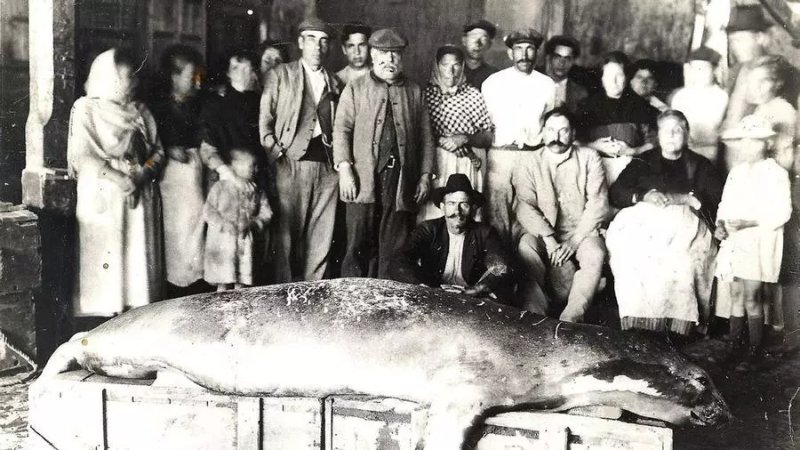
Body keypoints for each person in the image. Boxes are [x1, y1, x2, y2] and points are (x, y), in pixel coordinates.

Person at [607, 110, 724, 336]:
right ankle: (641, 323)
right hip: (645, 225)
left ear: (687, 134)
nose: (671, 135)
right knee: (634, 256)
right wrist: (642, 196)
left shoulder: (700, 165)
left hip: (686, 227)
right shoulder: (644, 160)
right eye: (665, 130)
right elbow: (617, 191)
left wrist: (684, 198)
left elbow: (715, 200)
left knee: (679, 260)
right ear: (657, 135)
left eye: (677, 130)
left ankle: (678, 326)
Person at [67, 48, 164, 320]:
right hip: (104, 193)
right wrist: (119, 178)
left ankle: (136, 319)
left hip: (138, 192)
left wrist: (142, 174)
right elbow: (82, 155)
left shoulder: (141, 111)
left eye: (132, 77)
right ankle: (102, 321)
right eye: (123, 78)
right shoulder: (86, 108)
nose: (131, 83)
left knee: (137, 270)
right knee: (106, 265)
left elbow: (157, 151)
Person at [333, 28, 435, 279]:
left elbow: (426, 136)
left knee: (395, 246)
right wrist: (345, 169)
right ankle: (353, 300)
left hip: (400, 180)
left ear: (402, 58)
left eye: (395, 55)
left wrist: (424, 176)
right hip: (362, 179)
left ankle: (387, 305)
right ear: (373, 55)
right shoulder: (356, 88)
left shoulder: (414, 90)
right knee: (358, 243)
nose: (389, 61)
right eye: (383, 54)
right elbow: (341, 129)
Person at [259, 17, 341, 283]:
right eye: (312, 39)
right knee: (286, 238)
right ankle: (284, 295)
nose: (318, 46)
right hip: (290, 163)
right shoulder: (280, 75)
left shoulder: (335, 82)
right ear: (300, 43)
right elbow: (265, 120)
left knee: (321, 236)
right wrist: (276, 154)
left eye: (323, 41)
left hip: (327, 168)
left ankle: (312, 293)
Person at [513, 108, 610, 322]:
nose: (556, 137)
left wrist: (575, 241)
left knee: (595, 253)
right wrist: (549, 240)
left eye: (563, 131)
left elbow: (598, 203)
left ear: (573, 134)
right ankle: (534, 317)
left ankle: (572, 319)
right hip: (542, 233)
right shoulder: (529, 161)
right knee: (526, 247)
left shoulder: (589, 157)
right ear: (543, 133)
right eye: (551, 130)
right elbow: (524, 205)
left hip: (580, 232)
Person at [714, 115, 791, 371]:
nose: (748, 147)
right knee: (735, 293)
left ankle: (755, 350)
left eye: (754, 142)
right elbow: (725, 204)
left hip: (759, 240)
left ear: (766, 143)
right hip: (736, 240)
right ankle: (735, 344)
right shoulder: (737, 172)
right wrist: (721, 225)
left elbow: (783, 211)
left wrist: (749, 222)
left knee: (752, 296)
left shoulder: (776, 173)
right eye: (744, 142)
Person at [481, 28, 556, 245]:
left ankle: (528, 267)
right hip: (500, 157)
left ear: (537, 53)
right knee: (497, 215)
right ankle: (500, 271)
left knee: (530, 212)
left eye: (530, 48)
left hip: (532, 155)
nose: (524, 54)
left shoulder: (546, 84)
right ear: (510, 53)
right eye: (519, 49)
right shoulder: (493, 83)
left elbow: (548, 120)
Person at [149, 44, 208, 297]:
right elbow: (150, 144)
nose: (197, 83)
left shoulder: (200, 106)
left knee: (197, 227)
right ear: (174, 76)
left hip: (195, 175)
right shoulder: (157, 108)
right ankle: (175, 285)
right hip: (171, 179)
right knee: (175, 232)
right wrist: (169, 149)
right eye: (191, 76)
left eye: (199, 77)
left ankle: (196, 280)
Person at [393, 174, 511, 297]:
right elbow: (399, 261)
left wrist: (474, 291)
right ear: (443, 207)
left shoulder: (485, 233)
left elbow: (500, 267)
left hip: (470, 297)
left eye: (464, 204)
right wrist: (424, 286)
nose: (457, 211)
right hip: (434, 295)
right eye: (451, 203)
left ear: (472, 208)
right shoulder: (429, 229)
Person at [419, 44, 494, 222]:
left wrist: (465, 138)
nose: (451, 71)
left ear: (462, 66)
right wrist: (443, 140)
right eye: (445, 65)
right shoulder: (426, 95)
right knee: (436, 211)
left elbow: (488, 136)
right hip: (439, 163)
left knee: (466, 212)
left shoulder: (473, 95)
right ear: (437, 67)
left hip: (467, 163)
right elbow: (419, 134)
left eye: (456, 65)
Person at [576, 52, 659, 185]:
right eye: (608, 75)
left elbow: (655, 143)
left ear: (626, 78)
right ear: (602, 78)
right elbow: (574, 141)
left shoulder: (641, 106)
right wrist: (594, 146)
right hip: (592, 170)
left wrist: (633, 151)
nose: (614, 81)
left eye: (619, 75)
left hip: (631, 172)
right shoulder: (586, 106)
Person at [203, 149, 274, 291]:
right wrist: (223, 224)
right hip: (222, 242)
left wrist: (254, 223)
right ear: (235, 166)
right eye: (251, 166)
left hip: (244, 242)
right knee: (223, 280)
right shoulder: (220, 187)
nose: (256, 169)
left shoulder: (256, 190)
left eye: (256, 166)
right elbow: (208, 211)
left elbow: (267, 212)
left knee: (242, 281)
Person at [670, 47, 729, 164]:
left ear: (714, 70)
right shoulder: (681, 96)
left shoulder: (722, 97)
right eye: (695, 68)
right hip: (684, 151)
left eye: (703, 68)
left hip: (712, 151)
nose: (699, 73)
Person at [543, 35, 588, 115]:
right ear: (550, 58)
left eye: (567, 58)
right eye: (557, 57)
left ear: (573, 61)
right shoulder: (535, 85)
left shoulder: (581, 94)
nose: (562, 63)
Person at [462, 19, 499, 89]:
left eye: (483, 39)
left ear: (489, 44)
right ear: (464, 41)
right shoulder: (452, 71)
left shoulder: (494, 75)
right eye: (473, 37)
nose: (477, 43)